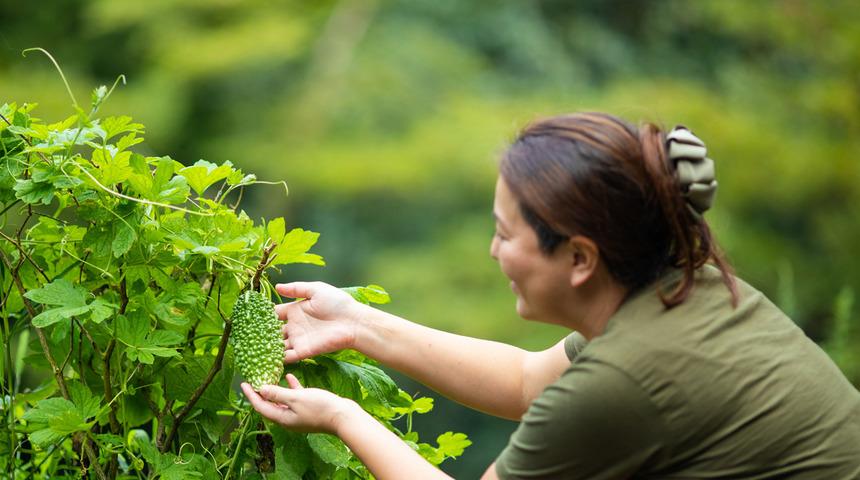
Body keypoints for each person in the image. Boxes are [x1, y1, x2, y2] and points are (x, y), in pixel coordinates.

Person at [242, 112, 860, 479]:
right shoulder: (679, 282)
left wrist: (343, 416)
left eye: (505, 234)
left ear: (580, 258)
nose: (493, 251)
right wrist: (360, 325)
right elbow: (522, 380)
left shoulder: (625, 380)